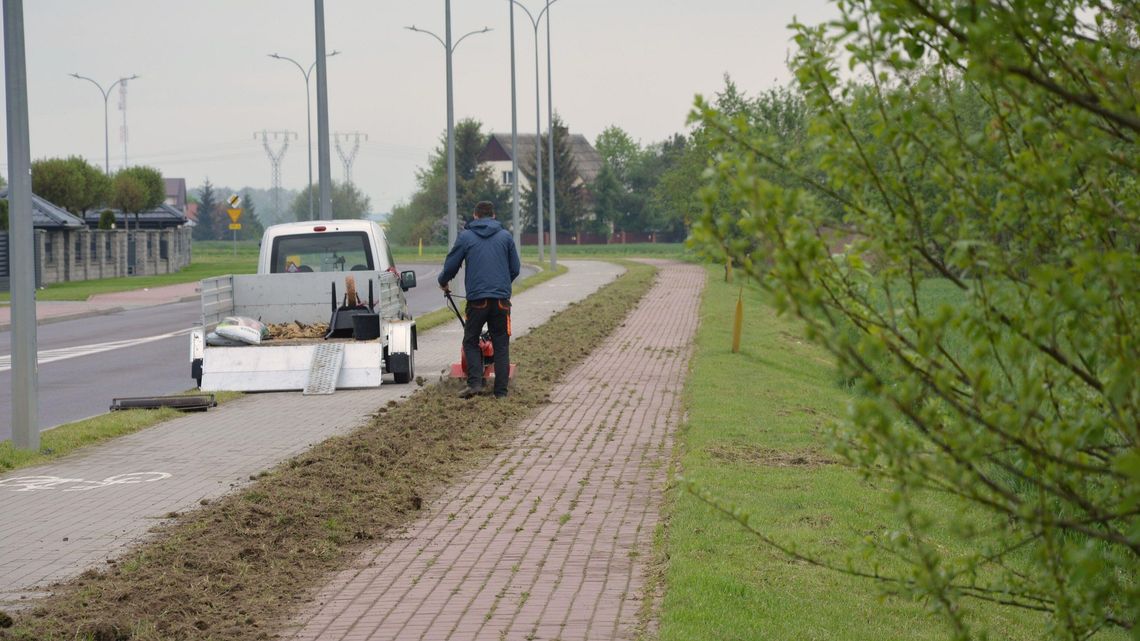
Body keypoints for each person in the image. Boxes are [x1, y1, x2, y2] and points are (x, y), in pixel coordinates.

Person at [438, 201, 521, 399]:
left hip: (477, 301)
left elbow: (451, 265)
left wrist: (443, 282)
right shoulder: (505, 236)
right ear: (493, 216)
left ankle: (475, 383)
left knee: (471, 340)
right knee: (501, 344)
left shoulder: (466, 237)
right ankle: (501, 392)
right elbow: (515, 268)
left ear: (475, 216)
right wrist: (501, 285)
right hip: (501, 301)